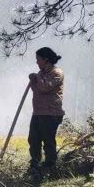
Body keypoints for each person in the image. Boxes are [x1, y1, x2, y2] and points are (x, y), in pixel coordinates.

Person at [28, 47, 65, 175]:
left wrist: (37, 78)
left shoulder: (57, 73)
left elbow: (45, 88)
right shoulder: (41, 74)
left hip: (51, 114)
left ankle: (50, 167)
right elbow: (36, 90)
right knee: (33, 140)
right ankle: (35, 165)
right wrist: (33, 80)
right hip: (38, 113)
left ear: (46, 59)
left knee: (48, 141)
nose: (36, 62)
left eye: (38, 59)